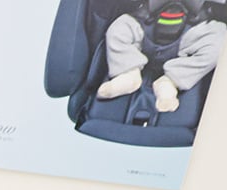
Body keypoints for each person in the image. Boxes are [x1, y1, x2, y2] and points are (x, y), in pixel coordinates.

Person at [97, 0, 227, 111]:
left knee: (219, 41)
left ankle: (171, 81)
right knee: (120, 27)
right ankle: (128, 73)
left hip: (193, 32)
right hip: (145, 25)